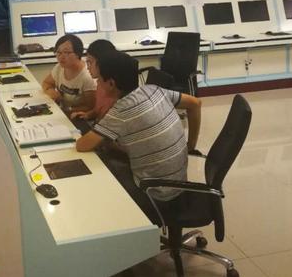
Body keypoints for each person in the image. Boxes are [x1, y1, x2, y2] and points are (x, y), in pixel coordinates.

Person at [76, 51, 202, 225]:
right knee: (109, 154)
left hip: (155, 194)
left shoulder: (121, 110)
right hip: (178, 182)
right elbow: (196, 103)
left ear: (111, 83)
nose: (97, 84)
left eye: (99, 81)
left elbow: (82, 145)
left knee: (98, 177)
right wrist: (191, 145)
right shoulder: (153, 89)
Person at [42, 34, 96, 115]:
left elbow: (90, 107)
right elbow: (46, 83)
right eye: (58, 52)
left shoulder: (87, 77)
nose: (61, 56)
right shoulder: (59, 68)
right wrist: (52, 92)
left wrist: (67, 109)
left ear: (78, 54)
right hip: (62, 113)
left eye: (66, 52)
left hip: (77, 116)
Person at [70, 39, 117, 124]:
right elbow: (97, 110)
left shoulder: (114, 89)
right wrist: (87, 115)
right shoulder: (100, 83)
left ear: (103, 62)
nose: (88, 67)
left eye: (90, 62)